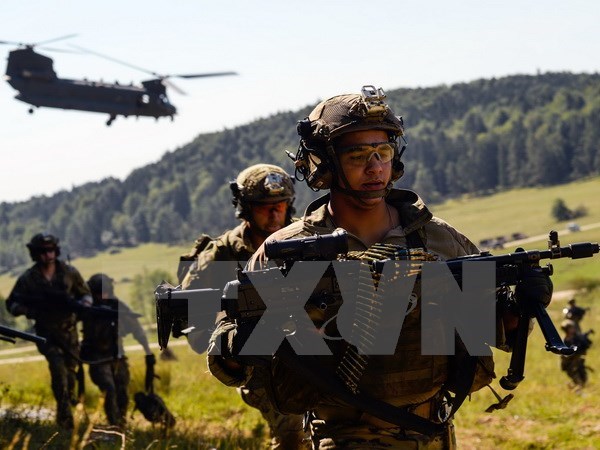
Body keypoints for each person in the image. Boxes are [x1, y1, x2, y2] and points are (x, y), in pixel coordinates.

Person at [208, 86, 553, 449]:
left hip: (431, 431)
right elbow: (229, 361)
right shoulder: (285, 251)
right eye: (358, 156)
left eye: (383, 153)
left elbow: (498, 330)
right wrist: (238, 345)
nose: (375, 167)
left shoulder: (438, 239)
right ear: (325, 163)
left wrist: (522, 306)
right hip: (341, 436)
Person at [181, 163, 308, 449]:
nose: (274, 214)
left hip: (315, 348)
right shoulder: (222, 254)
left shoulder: (307, 239)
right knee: (294, 432)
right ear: (246, 208)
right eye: (264, 207)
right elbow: (189, 315)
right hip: (260, 364)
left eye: (280, 205)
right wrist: (232, 336)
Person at [6, 233, 92, 429]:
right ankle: (65, 419)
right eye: (43, 251)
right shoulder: (29, 278)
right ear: (36, 254)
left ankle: (68, 406)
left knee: (70, 374)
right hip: (47, 334)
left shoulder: (69, 272)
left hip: (69, 334)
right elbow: (12, 303)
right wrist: (29, 310)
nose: (48, 255)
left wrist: (84, 305)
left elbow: (85, 294)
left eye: (51, 250)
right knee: (58, 369)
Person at [80, 273, 155, 427]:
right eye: (99, 293)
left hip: (117, 357)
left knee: (122, 392)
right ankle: (114, 424)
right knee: (109, 389)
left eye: (106, 292)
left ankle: (121, 423)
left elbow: (136, 329)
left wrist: (148, 351)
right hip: (98, 359)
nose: (103, 296)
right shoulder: (86, 308)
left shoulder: (117, 306)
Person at [560, 319, 593, 390]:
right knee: (578, 382)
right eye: (571, 328)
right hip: (570, 365)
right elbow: (565, 355)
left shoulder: (577, 338)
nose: (573, 329)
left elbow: (586, 345)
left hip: (579, 363)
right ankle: (575, 390)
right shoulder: (565, 342)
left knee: (584, 379)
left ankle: (571, 387)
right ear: (566, 330)